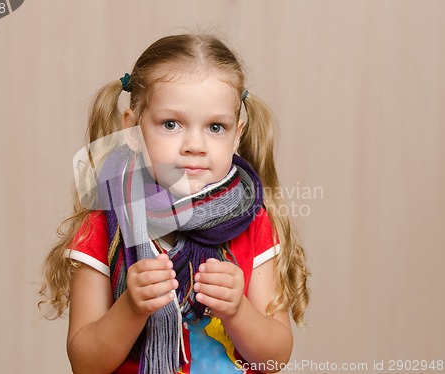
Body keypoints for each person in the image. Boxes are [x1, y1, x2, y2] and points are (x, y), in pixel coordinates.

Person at [39, 34, 309, 374]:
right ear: (133, 130)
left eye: (215, 127)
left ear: (237, 134)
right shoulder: (103, 224)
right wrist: (131, 308)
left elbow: (275, 359)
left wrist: (238, 311)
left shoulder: (253, 221)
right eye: (171, 124)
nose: (194, 145)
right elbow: (85, 364)